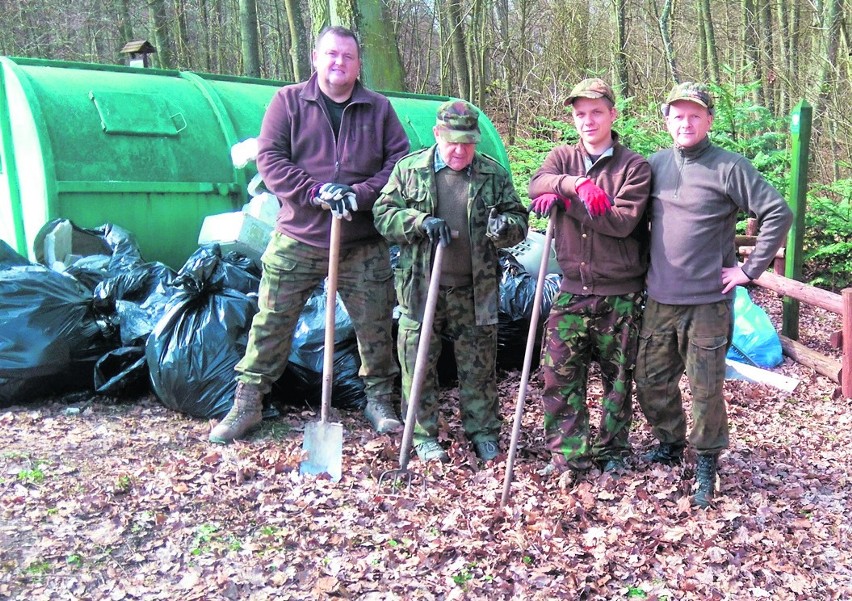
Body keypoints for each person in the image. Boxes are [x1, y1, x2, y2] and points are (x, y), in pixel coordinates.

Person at [209, 26, 410, 444]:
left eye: (348, 57)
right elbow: (270, 157)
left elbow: (399, 163)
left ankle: (379, 401)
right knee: (271, 321)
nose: (339, 63)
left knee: (375, 325)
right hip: (298, 234)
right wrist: (314, 192)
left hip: (361, 240)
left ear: (358, 66)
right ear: (315, 58)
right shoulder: (288, 102)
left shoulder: (378, 109)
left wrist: (359, 195)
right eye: (331, 54)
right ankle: (247, 403)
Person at [635, 82, 793, 507]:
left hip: (708, 301)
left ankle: (707, 460)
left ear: (708, 120)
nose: (685, 123)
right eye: (677, 115)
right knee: (649, 380)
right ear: (666, 120)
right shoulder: (653, 166)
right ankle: (670, 442)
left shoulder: (729, 166)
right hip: (660, 299)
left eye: (694, 116)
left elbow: (778, 211)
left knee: (706, 389)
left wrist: (748, 270)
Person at [373, 100, 528, 462]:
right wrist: (419, 223)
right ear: (437, 134)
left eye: (468, 143)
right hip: (421, 287)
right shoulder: (410, 170)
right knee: (419, 361)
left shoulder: (491, 174)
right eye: (452, 142)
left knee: (478, 365)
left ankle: (484, 431)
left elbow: (518, 219)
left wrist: (504, 228)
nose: (460, 151)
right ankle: (424, 434)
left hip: (476, 288)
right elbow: (383, 216)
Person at [527, 78, 652, 481]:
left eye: (596, 112)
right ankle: (568, 453)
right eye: (580, 114)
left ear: (612, 115)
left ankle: (612, 449)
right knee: (559, 373)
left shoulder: (634, 166)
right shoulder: (563, 156)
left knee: (617, 377)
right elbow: (537, 183)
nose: (588, 120)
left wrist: (569, 203)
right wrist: (573, 184)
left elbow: (620, 222)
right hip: (572, 289)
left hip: (621, 291)